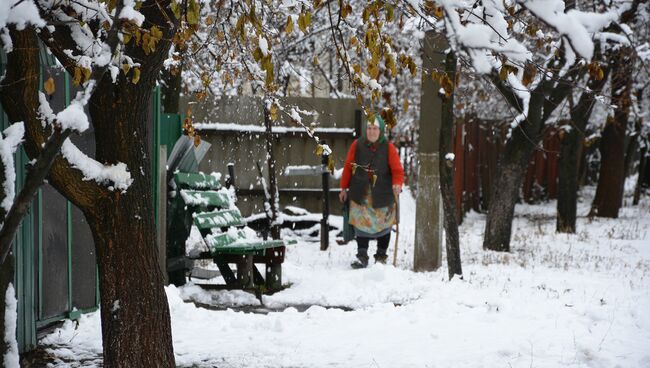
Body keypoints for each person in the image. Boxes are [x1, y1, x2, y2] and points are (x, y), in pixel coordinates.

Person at [339, 114, 404, 268]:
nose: (371, 132)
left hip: (383, 192)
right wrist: (343, 188)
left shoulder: (389, 147)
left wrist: (397, 184)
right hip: (361, 191)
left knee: (385, 225)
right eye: (369, 128)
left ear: (380, 130)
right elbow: (348, 167)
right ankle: (362, 256)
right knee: (361, 225)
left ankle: (381, 255)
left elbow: (397, 170)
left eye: (375, 128)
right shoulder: (357, 145)